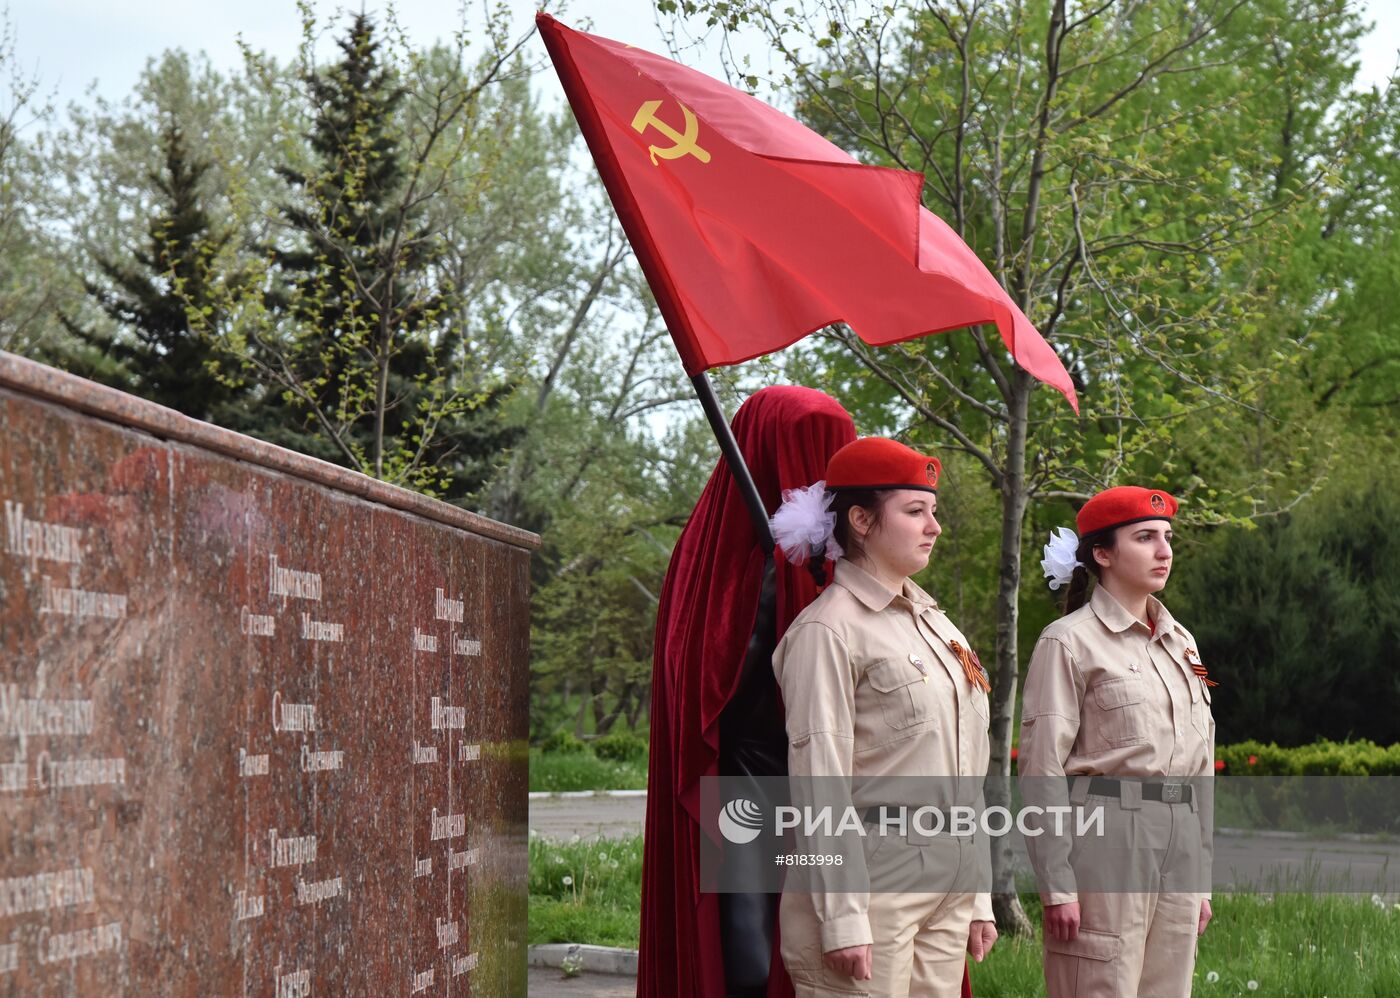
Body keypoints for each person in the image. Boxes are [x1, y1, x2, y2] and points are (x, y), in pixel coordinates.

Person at [638, 385, 856, 998]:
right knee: (754, 936)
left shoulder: (736, 552)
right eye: (809, 445)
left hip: (791, 787)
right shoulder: (752, 561)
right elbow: (733, 686)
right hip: (756, 784)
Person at [769, 436, 996, 998]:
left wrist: (979, 894)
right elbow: (819, 779)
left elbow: (969, 766)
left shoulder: (939, 627)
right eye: (915, 511)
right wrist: (843, 917)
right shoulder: (828, 630)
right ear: (862, 520)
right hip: (872, 879)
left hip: (950, 874)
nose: (934, 526)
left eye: (933, 512)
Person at [1020, 486, 1216, 997]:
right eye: (1145, 537)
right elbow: (1041, 769)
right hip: (1107, 840)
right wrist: (1057, 884)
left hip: (1180, 840)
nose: (1164, 550)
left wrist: (1202, 879)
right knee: (1100, 984)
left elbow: (1199, 767)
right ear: (1103, 554)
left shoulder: (1183, 643)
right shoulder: (1068, 641)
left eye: (1168, 537)